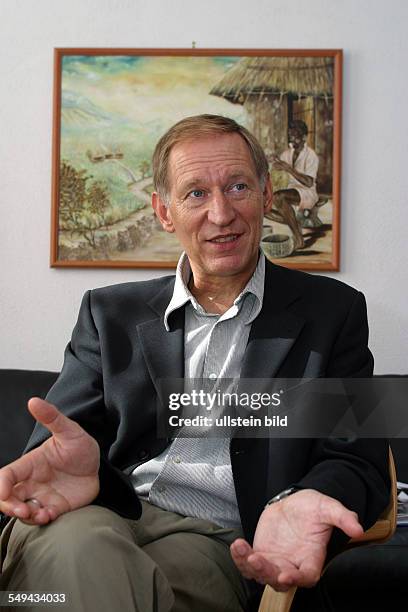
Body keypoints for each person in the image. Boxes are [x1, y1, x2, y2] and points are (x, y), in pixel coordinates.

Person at [0, 115, 389, 612]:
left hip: (217, 541)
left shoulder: (334, 312)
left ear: (267, 196)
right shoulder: (108, 313)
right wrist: (88, 465)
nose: (222, 213)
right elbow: (57, 451)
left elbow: (357, 457)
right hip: (104, 510)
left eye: (238, 186)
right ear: (165, 212)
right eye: (196, 194)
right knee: (82, 546)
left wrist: (305, 498)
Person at [266, 119, 319, 251]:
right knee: (261, 205)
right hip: (290, 191)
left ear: (304, 137)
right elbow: (278, 169)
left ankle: (299, 238)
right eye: (290, 135)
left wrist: (289, 169)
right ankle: (295, 222)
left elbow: (309, 182)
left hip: (307, 193)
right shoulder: (286, 154)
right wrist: (273, 162)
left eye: (295, 135)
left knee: (278, 197)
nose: (292, 139)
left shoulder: (311, 155)